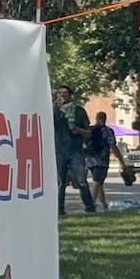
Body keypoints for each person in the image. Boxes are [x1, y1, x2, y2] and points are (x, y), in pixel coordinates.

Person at [53, 84, 96, 215]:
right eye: (59, 93)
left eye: (65, 93)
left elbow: (88, 132)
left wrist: (79, 130)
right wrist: (55, 107)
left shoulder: (78, 111)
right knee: (60, 182)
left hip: (75, 150)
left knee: (81, 179)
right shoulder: (54, 111)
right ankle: (59, 210)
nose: (62, 95)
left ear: (70, 95)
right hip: (59, 150)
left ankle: (90, 208)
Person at [85, 111, 125, 210]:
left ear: (96, 118)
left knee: (100, 183)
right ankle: (90, 205)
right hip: (101, 161)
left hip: (89, 159)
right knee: (97, 182)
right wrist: (121, 161)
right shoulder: (107, 131)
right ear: (105, 119)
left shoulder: (90, 130)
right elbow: (113, 147)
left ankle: (104, 204)